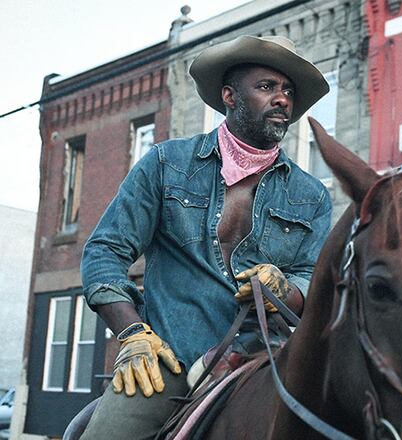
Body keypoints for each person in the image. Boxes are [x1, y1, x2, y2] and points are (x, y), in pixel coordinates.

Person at [79, 35, 332, 439]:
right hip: (169, 361)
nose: (283, 99)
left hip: (264, 364)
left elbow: (314, 280)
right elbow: (104, 252)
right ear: (229, 96)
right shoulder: (166, 163)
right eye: (267, 87)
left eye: (288, 91)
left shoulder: (313, 195)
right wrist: (131, 334)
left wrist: (285, 289)